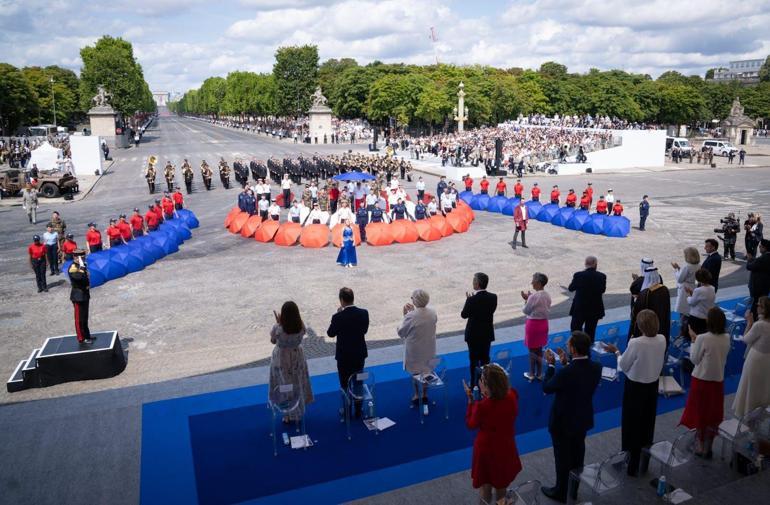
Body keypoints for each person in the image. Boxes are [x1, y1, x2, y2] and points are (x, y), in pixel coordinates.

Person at [603, 310, 666, 476]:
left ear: (640, 326)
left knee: (631, 425)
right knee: (647, 424)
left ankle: (630, 462)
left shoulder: (636, 343)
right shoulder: (662, 339)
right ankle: (644, 462)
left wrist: (617, 352)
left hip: (635, 387)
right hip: (652, 386)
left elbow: (623, 365)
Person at [541, 331, 602, 503]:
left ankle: (561, 491)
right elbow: (578, 378)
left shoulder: (566, 374)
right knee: (578, 453)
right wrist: (566, 364)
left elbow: (547, 387)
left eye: (569, 346)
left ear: (574, 349)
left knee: (562, 457)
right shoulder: (596, 367)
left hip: (562, 421)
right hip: (582, 417)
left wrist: (551, 366)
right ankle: (574, 488)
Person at [464, 364, 522, 505]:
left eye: (482, 380)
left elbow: (471, 424)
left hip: (487, 450)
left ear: (487, 385)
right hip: (506, 446)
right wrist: (486, 395)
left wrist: (471, 402)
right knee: (502, 485)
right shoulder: (512, 395)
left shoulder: (482, 407)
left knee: (486, 487)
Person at [680, 307, 730, 458]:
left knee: (700, 413)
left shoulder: (703, 338)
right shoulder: (726, 337)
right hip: (717, 380)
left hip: (702, 380)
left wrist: (694, 340)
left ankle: (699, 445)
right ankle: (708, 444)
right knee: (712, 413)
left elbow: (695, 359)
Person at [326, 287, 369, 417]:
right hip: (358, 354)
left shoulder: (338, 317)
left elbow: (330, 333)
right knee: (358, 382)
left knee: (344, 383)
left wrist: (338, 315)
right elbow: (364, 330)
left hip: (344, 356)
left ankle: (346, 410)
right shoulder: (364, 313)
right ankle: (358, 410)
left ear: (342, 300)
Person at [268, 301, 314, 421]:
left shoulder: (278, 328)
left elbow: (273, 340)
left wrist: (279, 322)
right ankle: (299, 410)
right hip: (297, 356)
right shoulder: (300, 326)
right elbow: (302, 332)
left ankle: (288, 414)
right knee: (298, 381)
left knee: (284, 384)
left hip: (282, 358)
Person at [397, 289, 438, 404]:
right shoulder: (432, 312)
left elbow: (401, 332)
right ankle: (425, 393)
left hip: (415, 349)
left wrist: (405, 316)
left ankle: (416, 394)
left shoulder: (411, 316)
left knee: (415, 372)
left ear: (415, 300)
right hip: (429, 347)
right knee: (427, 370)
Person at [733, 297, 770, 417]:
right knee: (762, 388)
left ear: (764, 309)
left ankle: (749, 415)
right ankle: (759, 415)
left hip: (756, 359)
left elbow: (745, 339)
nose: (757, 306)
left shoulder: (760, 325)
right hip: (767, 359)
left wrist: (749, 323)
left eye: (759, 305)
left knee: (751, 387)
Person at [461, 273, 498, 385]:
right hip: (486, 333)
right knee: (485, 359)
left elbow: (464, 315)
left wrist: (468, 301)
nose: (473, 282)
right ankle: (485, 382)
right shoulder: (493, 297)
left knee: (473, 360)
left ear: (477, 283)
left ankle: (474, 383)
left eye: (474, 280)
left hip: (473, 334)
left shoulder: (471, 300)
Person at [568, 256, 606, 342]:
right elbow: (602, 290)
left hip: (579, 308)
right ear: (595, 264)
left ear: (585, 264)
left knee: (576, 331)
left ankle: (576, 350)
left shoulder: (578, 275)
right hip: (594, 309)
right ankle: (587, 351)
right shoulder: (602, 276)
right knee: (590, 332)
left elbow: (571, 288)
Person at [629, 266, 670, 344]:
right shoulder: (664, 289)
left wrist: (635, 299)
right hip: (661, 321)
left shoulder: (646, 293)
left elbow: (637, 310)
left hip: (648, 324)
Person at [522, 272, 551, 381]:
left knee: (531, 351)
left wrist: (526, 299)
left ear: (538, 283)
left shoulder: (533, 296)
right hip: (544, 324)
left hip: (533, 325)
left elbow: (526, 310)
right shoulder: (547, 295)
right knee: (539, 349)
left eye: (533, 280)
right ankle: (539, 373)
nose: (532, 282)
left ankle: (531, 373)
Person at [672, 247, 700, 337]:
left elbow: (680, 279)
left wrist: (676, 269)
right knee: (689, 310)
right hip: (693, 286)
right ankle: (688, 330)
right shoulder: (698, 265)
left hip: (685, 288)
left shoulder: (687, 266)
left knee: (683, 312)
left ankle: (683, 332)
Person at [68, 249, 92, 344]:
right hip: (78, 296)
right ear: (75, 257)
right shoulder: (73, 267)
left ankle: (87, 335)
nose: (83, 259)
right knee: (79, 319)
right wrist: (82, 268)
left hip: (85, 294)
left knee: (85, 317)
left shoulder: (82, 265)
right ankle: (81, 338)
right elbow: (78, 277)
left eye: (83, 257)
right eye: (81, 258)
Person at [686, 269, 716, 336]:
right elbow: (702, 299)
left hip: (696, 318)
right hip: (707, 317)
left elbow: (692, 302)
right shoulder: (712, 288)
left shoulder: (698, 290)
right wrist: (692, 293)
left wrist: (688, 297)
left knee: (694, 337)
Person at [747, 239, 770, 319]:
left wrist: (749, 260)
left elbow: (749, 266)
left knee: (756, 304)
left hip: (757, 286)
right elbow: (758, 263)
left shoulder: (763, 258)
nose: (759, 247)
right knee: (764, 303)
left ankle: (755, 320)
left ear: (765, 248)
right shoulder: (766, 257)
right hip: (766, 285)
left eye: (760, 246)